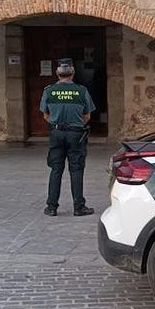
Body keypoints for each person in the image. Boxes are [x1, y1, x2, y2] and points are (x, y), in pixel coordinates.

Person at [40, 58, 96, 217]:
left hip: (56, 133)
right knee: (76, 170)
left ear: (57, 72)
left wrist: (56, 123)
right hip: (76, 134)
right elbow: (87, 116)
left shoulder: (49, 91)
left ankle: (51, 207)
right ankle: (79, 206)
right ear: (73, 73)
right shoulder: (81, 91)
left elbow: (45, 115)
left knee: (56, 169)